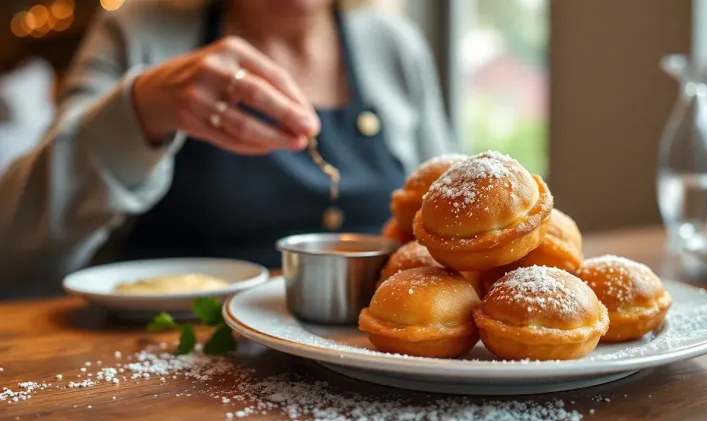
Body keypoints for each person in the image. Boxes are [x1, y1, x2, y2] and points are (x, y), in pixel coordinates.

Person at [0, 0, 455, 292]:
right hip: (172, 365)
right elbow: (16, 244)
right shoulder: (139, 32)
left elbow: (451, 222)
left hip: (367, 357)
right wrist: (140, 110)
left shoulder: (394, 44)